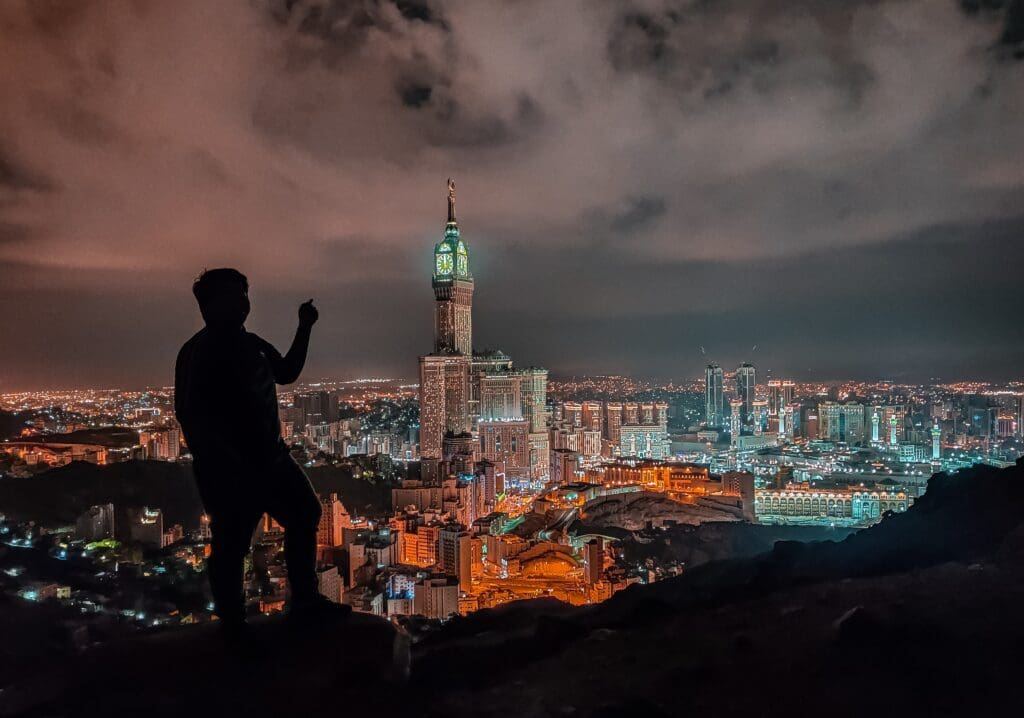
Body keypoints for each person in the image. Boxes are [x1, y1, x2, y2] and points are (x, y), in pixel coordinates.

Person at [174, 268, 348, 632]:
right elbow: (191, 417)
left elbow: (286, 372)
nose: (241, 302)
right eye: (231, 296)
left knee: (304, 513)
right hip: (231, 470)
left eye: (243, 294)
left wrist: (304, 327)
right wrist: (223, 465)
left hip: (271, 459)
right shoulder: (199, 352)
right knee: (231, 544)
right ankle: (233, 624)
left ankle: (305, 599)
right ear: (208, 306)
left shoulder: (250, 342)